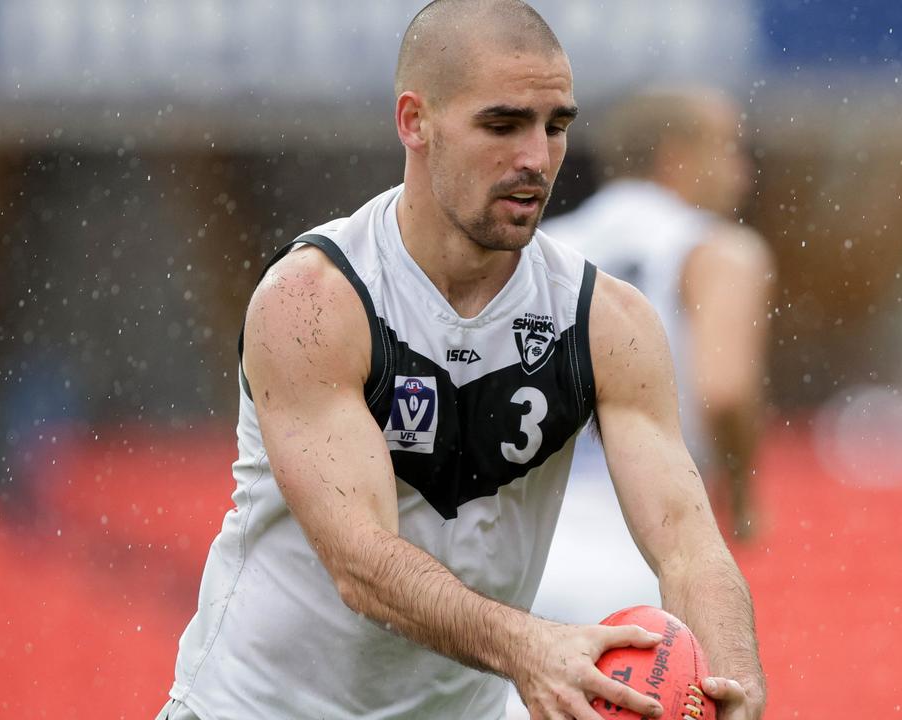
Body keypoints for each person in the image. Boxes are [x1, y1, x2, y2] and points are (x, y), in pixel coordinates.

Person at [159, 3, 765, 719]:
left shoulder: (607, 320)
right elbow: (362, 564)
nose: (536, 158)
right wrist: (528, 647)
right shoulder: (314, 299)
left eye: (556, 126)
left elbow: (689, 547)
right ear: (414, 121)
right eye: (503, 125)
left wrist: (731, 676)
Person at [544, 89, 775, 542]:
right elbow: (724, 391)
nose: (744, 174)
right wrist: (743, 491)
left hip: (534, 533)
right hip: (650, 530)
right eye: (732, 150)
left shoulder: (539, 247)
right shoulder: (718, 251)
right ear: (677, 158)